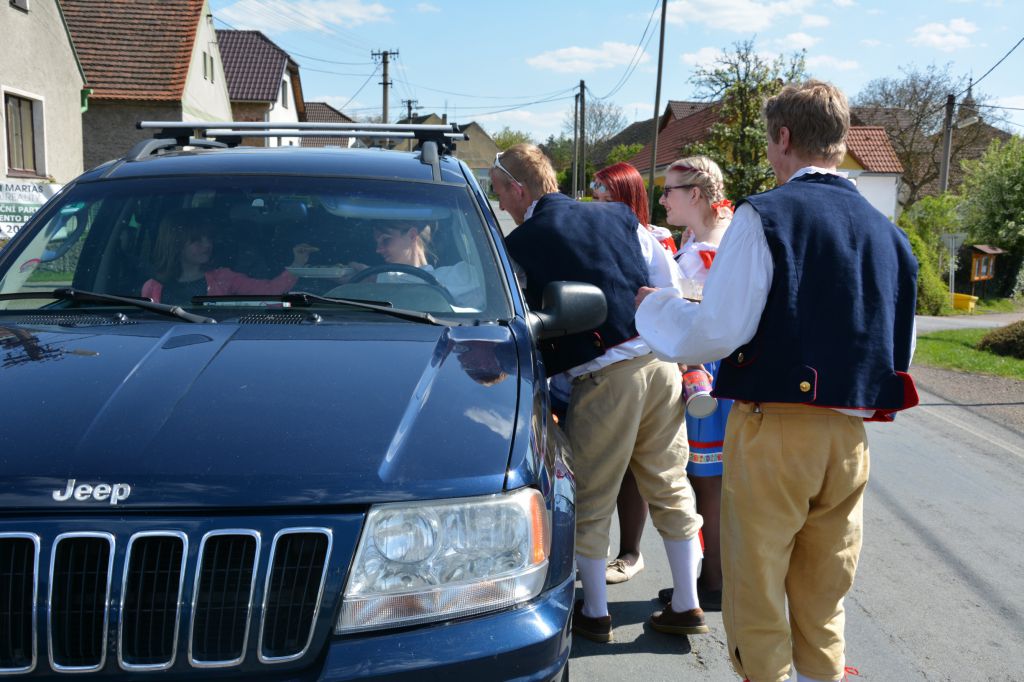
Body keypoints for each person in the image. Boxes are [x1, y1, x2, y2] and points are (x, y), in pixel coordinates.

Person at [634, 80, 918, 682]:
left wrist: (654, 306)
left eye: (770, 140)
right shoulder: (889, 234)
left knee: (758, 583)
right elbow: (901, 350)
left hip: (775, 430)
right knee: (825, 586)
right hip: (848, 438)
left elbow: (718, 329)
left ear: (783, 137)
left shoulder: (765, 215)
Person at [491, 143, 708, 644]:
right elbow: (669, 282)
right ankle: (687, 601)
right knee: (670, 483)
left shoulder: (520, 244)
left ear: (519, 189)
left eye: (500, 192)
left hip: (607, 379)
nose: (500, 203)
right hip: (659, 365)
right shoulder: (619, 217)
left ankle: (594, 612)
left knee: (590, 495)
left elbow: (514, 317)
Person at [650, 155, 734, 611]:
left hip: (707, 373)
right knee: (712, 480)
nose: (663, 199)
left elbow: (694, 319)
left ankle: (714, 579)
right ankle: (713, 576)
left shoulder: (706, 253)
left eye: (669, 191)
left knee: (707, 482)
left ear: (695, 194)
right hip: (720, 371)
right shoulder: (716, 239)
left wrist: (656, 301)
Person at [588, 161, 675, 586]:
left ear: (627, 196)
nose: (597, 201)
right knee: (608, 468)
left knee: (644, 469)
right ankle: (596, 552)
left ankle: (631, 552)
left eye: (606, 194)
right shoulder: (590, 232)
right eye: (595, 194)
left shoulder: (653, 238)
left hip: (641, 362)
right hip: (606, 363)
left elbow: (672, 294)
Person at [141, 208, 316, 304]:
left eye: (208, 238)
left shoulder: (224, 278)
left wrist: (297, 264)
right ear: (175, 244)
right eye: (197, 240)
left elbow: (270, 292)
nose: (207, 245)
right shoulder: (152, 287)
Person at [347, 220, 483, 308]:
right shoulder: (371, 290)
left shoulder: (462, 276)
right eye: (377, 243)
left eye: (386, 240)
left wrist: (374, 278)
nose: (378, 249)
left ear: (412, 235)